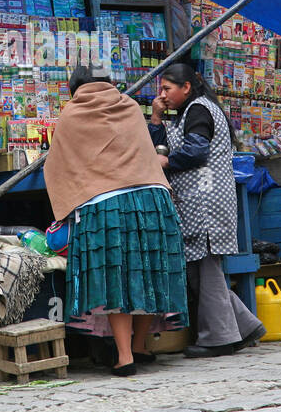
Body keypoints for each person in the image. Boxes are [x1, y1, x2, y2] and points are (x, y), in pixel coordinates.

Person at [43, 65, 189, 376]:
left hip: (107, 203)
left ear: (75, 88)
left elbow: (59, 163)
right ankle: (140, 345)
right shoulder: (130, 106)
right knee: (147, 270)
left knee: (117, 278)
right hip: (153, 199)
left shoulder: (73, 113)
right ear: (108, 84)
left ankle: (125, 357)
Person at [149, 63, 266, 357]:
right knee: (199, 271)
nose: (162, 94)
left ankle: (218, 339)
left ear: (185, 87)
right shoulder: (188, 113)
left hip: (206, 203)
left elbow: (196, 151)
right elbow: (161, 147)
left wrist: (168, 162)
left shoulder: (199, 110)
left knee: (206, 269)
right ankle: (245, 325)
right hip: (198, 202)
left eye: (167, 89)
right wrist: (156, 117)